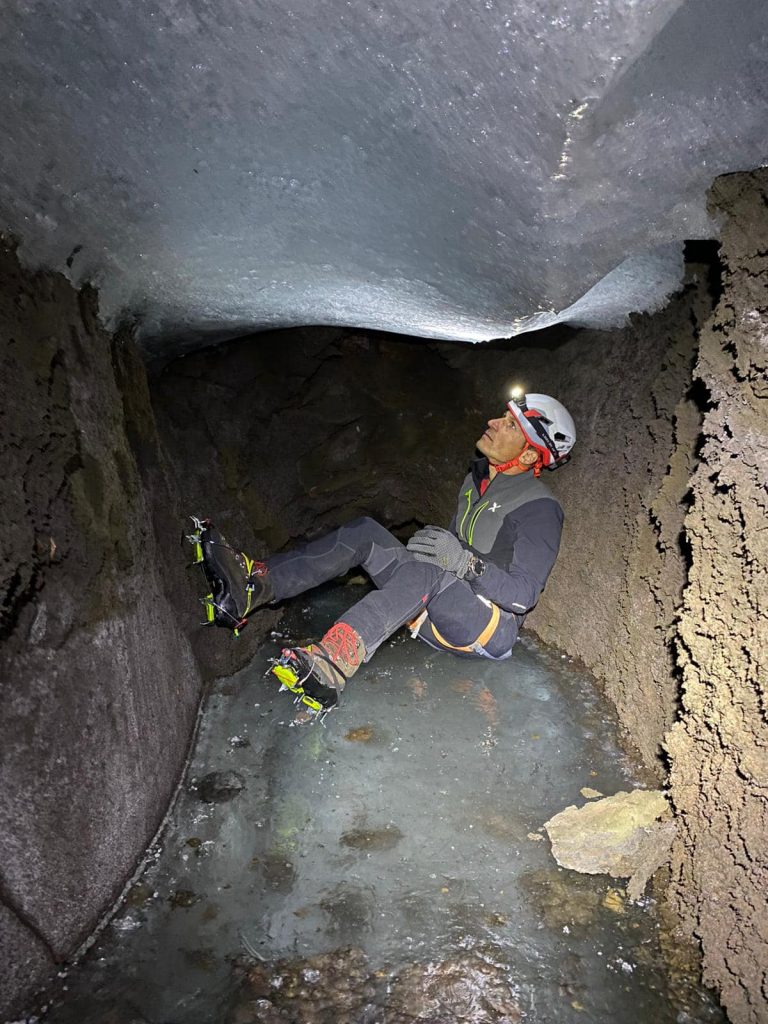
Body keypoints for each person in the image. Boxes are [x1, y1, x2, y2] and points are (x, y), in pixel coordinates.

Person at [189, 390, 575, 717]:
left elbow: (523, 596)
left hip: (489, 628)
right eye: (502, 416)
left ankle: (332, 663)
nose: (492, 422)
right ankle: (253, 588)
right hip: (440, 606)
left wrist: (464, 563)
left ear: (528, 456)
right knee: (366, 532)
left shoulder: (539, 508)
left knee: (431, 573)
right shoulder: (474, 483)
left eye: (509, 425)